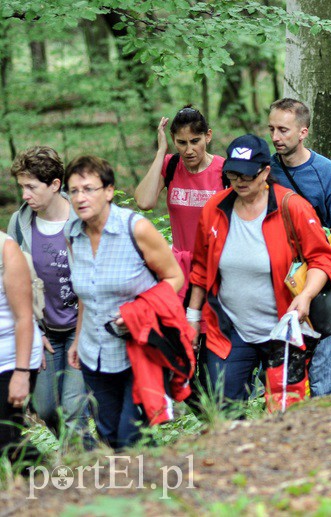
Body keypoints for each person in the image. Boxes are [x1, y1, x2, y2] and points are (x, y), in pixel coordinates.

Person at [187, 134, 331, 404]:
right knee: (222, 409)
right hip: (228, 329)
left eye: (248, 174)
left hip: (282, 329)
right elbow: (201, 268)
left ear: (266, 172)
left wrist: (305, 296)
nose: (240, 181)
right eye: (234, 174)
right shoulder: (215, 209)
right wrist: (192, 319)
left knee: (284, 412)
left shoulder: (291, 206)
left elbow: (324, 260)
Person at [66, 156, 184, 449]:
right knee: (110, 435)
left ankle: (160, 488)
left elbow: (174, 278)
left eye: (89, 189)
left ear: (109, 191)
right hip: (95, 353)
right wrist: (78, 339)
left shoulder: (136, 229)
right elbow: (86, 293)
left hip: (141, 349)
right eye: (74, 191)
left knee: (131, 438)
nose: (81, 198)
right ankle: (141, 486)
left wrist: (139, 311)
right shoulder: (72, 234)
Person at [267, 98, 331, 394]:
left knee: (327, 356)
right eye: (271, 129)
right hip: (280, 275)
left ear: (303, 132)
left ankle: (328, 408)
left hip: (321, 273)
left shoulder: (327, 171)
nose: (275, 137)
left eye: (283, 130)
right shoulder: (266, 170)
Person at [7, 147, 87, 439]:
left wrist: (82, 334)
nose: (25, 195)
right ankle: (82, 453)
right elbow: (14, 281)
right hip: (44, 330)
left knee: (73, 407)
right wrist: (32, 330)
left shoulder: (81, 218)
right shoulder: (20, 222)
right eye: (22, 187)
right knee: (46, 408)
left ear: (55, 185)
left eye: (31, 187)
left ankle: (84, 468)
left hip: (83, 327)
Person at [134, 105, 226, 303]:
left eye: (195, 141)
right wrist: (161, 152)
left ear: (207, 136)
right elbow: (144, 201)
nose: (189, 150)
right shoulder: (171, 165)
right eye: (181, 143)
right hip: (179, 268)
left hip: (215, 265)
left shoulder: (224, 170)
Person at [0, 234, 43, 461]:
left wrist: (21, 372)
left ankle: (42, 475)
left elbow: (24, 319)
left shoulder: (6, 250)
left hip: (12, 357)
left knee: (5, 439)